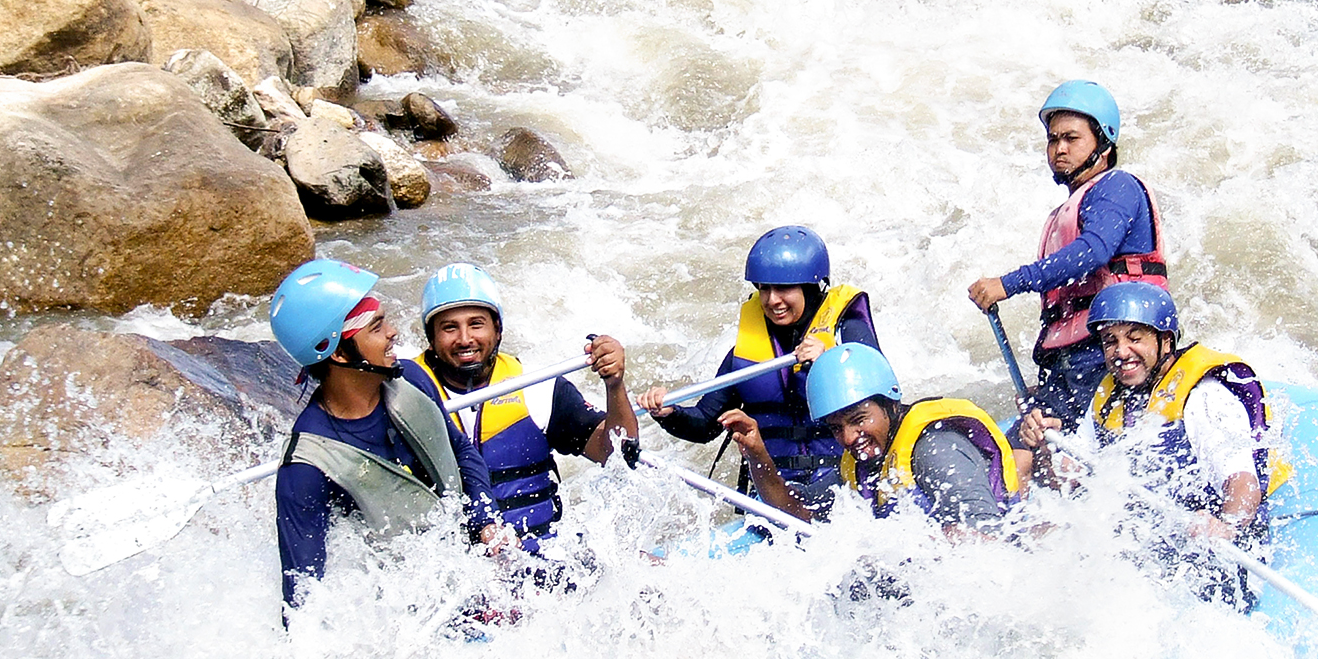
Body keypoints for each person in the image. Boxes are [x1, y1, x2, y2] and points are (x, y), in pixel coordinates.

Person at [1015, 283, 1289, 607]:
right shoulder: (1109, 396)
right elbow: (1068, 480)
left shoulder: (1203, 396)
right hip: (1146, 541)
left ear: (1165, 341)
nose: (1121, 352)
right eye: (1110, 341)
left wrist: (1226, 525)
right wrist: (1044, 449)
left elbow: (1242, 482)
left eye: (1135, 338)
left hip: (1212, 550)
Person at [269, 259, 502, 613]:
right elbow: (304, 599)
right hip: (402, 611)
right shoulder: (304, 470)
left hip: (467, 571)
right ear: (341, 354)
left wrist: (485, 521)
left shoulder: (410, 378)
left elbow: (460, 451)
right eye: (376, 327)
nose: (393, 332)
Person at [401, 262, 638, 558]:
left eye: (476, 324)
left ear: (497, 329)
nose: (464, 339)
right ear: (431, 338)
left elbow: (617, 453)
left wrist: (614, 385)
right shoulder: (402, 397)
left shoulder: (538, 387)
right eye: (449, 327)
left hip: (539, 563)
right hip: (453, 576)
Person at [967, 80, 1168, 424]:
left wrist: (1009, 283)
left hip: (1108, 352)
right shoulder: (1063, 213)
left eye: (1071, 138)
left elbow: (1093, 252)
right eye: (1052, 139)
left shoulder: (1117, 188)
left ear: (1103, 144)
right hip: (1066, 363)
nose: (1059, 149)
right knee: (1024, 452)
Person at [637, 225, 880, 494]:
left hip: (845, 486)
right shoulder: (744, 355)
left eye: (784, 288)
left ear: (811, 288)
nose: (772, 300)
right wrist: (669, 413)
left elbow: (883, 406)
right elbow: (704, 425)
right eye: (764, 289)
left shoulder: (847, 334)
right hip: (775, 492)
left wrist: (830, 363)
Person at [719, 343, 1019, 534]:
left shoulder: (936, 450)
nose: (848, 438)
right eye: (836, 428)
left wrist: (895, 554)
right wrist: (758, 456)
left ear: (889, 404)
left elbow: (985, 540)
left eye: (859, 420)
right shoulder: (861, 466)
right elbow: (795, 512)